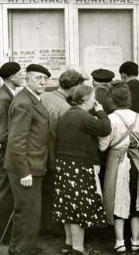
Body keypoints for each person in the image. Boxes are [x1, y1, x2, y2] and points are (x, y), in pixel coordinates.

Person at [52, 85, 111, 255]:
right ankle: (78, 249)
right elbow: (105, 128)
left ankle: (68, 244)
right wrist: (100, 112)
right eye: (93, 99)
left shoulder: (68, 113)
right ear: (85, 100)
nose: (95, 101)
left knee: (67, 206)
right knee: (78, 208)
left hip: (64, 165)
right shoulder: (82, 116)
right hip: (78, 166)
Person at [99, 81, 139, 254]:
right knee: (137, 202)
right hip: (137, 163)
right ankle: (136, 241)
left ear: (111, 100)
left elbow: (103, 146)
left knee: (117, 201)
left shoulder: (111, 118)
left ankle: (120, 242)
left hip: (117, 163)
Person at [4, 63, 51, 255]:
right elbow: (16, 141)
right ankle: (24, 250)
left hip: (32, 164)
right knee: (29, 212)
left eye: (45, 79)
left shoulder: (31, 98)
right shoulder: (24, 102)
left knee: (25, 210)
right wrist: (24, 172)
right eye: (38, 78)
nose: (42, 82)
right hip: (26, 167)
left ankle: (19, 247)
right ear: (27, 79)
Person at [40, 69, 84, 234]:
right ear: (73, 88)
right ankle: (52, 230)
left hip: (37, 152)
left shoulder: (43, 95)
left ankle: (41, 229)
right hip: (52, 153)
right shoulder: (65, 107)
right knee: (53, 193)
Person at [0, 62, 22, 244]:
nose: (23, 77)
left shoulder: (6, 94)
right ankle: (2, 236)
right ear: (12, 77)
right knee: (5, 191)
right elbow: (3, 132)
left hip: (5, 150)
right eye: (21, 74)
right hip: (5, 152)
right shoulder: (5, 98)